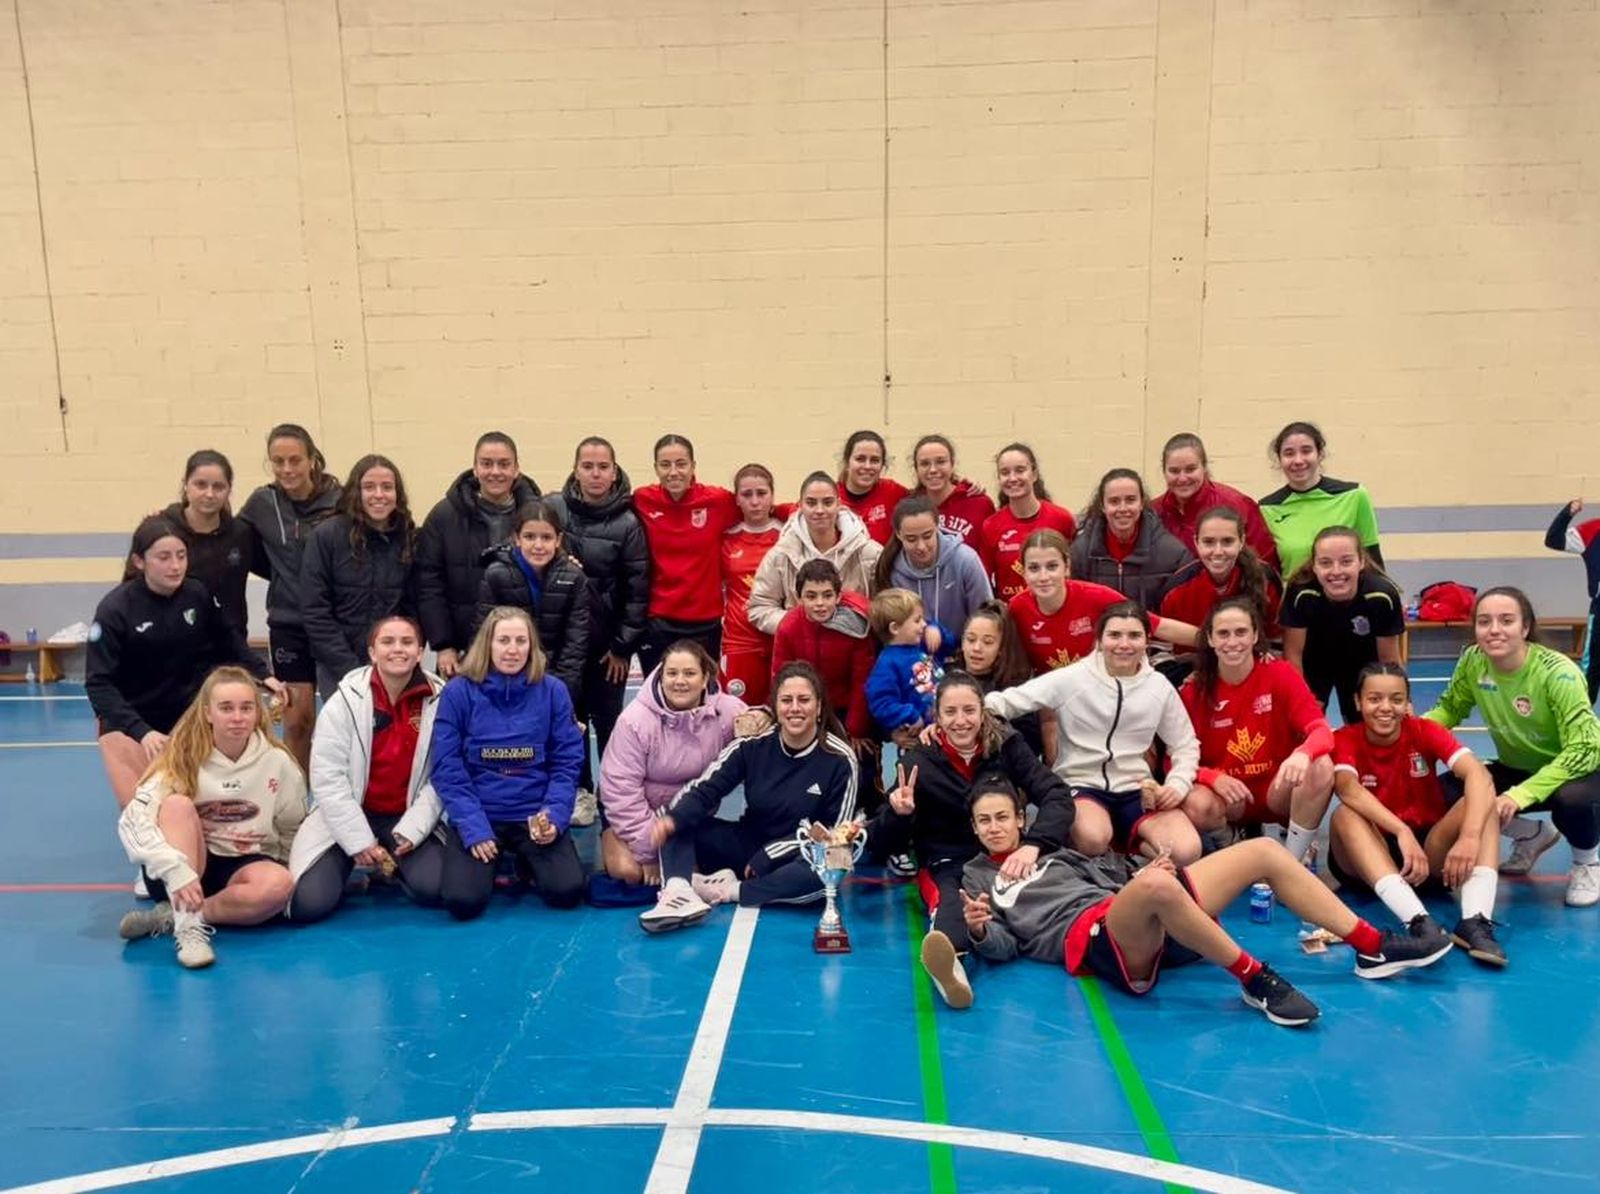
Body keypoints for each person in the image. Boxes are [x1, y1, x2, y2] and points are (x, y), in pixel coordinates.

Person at [960, 782, 1451, 1026]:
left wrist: (1149, 872)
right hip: (1095, 941)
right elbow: (1007, 945)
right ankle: (1256, 980)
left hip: (1133, 910)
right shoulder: (977, 875)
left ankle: (1371, 946)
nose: (995, 827)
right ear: (975, 829)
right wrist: (982, 933)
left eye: (1002, 816)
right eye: (984, 821)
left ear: (1019, 820)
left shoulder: (1053, 851)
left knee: (1262, 851)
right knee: (1153, 889)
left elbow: (1114, 876)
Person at [874, 673, 1074, 1008]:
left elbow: (1058, 796)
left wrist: (1033, 844)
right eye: (950, 712)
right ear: (937, 718)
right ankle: (951, 968)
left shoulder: (1007, 745)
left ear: (983, 711)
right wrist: (899, 813)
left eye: (969, 710)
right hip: (950, 862)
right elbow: (883, 844)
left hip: (1009, 855)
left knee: (1059, 896)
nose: (961, 720)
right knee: (953, 908)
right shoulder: (917, 762)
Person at [638, 661, 860, 932]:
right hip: (749, 845)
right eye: (786, 700)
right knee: (677, 815)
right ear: (776, 708)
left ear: (819, 707)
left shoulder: (840, 759)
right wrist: (672, 822)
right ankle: (678, 891)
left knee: (831, 867)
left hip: (800, 854)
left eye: (804, 700)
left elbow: (836, 835)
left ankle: (730, 890)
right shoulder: (752, 746)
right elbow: (705, 789)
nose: (795, 708)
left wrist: (771, 853)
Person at [116, 666, 307, 969]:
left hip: (242, 864)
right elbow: (133, 820)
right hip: (183, 869)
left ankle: (177, 916)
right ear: (207, 713)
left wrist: (285, 876)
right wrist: (174, 869)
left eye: (246, 708)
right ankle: (189, 929)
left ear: (257, 713)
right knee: (176, 805)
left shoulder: (277, 761)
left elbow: (291, 825)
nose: (237, 717)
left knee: (278, 885)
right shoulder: (182, 756)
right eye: (226, 708)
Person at [88, 515, 284, 808]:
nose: (175, 565)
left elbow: (228, 641)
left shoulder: (197, 593)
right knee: (142, 814)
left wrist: (262, 674)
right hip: (129, 724)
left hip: (185, 717)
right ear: (139, 562)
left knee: (191, 805)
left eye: (181, 556)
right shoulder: (115, 609)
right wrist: (141, 732)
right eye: (164, 557)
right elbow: (98, 684)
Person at [984, 603, 1202, 864]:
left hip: (1136, 788)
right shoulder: (1072, 678)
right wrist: (955, 715)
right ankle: (1109, 855)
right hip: (1080, 785)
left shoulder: (1159, 687)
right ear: (1099, 640)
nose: (1124, 644)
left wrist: (1178, 784)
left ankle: (1129, 852)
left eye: (1134, 636)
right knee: (1092, 838)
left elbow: (1185, 744)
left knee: (1187, 850)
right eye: (1114, 635)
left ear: (1147, 640)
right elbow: (1008, 701)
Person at [1425, 586, 1600, 907]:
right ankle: (1532, 836)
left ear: (1525, 627)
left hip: (1578, 770)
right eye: (1484, 621)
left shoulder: (1558, 673)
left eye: (1506, 620)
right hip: (1516, 765)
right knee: (1443, 792)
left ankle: (1587, 862)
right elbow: (1451, 707)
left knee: (1573, 801)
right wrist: (1412, 732)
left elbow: (1584, 750)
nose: (1494, 630)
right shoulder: (1474, 661)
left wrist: (1520, 795)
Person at [1328, 664, 1505, 966]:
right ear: (1358, 702)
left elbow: (1478, 775)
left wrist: (1469, 837)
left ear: (1408, 703)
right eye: (1374, 699)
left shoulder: (1425, 731)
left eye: (1396, 699)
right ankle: (1420, 924)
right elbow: (1347, 788)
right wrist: (1400, 830)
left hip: (1428, 857)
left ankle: (1475, 922)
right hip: (1368, 854)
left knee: (1482, 798)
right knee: (1345, 815)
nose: (1386, 708)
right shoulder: (1346, 737)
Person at [286, 616, 448, 923]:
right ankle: (356, 861)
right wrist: (357, 840)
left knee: (438, 889)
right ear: (372, 652)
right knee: (308, 904)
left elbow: (443, 777)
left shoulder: (442, 700)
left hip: (406, 815)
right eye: (387, 642)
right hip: (348, 815)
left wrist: (412, 831)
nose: (397, 649)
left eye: (407, 642)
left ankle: (392, 868)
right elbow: (327, 779)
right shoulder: (344, 701)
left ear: (420, 652)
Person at [429, 606, 587, 920]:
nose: (512, 650)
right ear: (487, 644)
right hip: (481, 815)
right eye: (503, 640)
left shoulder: (553, 691)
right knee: (462, 902)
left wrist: (553, 816)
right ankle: (494, 855)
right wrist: (474, 828)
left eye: (520, 640)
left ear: (532, 646)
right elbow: (446, 768)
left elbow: (567, 762)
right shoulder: (458, 693)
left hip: (534, 814)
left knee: (567, 892)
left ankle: (527, 860)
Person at [1178, 599, 1335, 862]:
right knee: (1195, 800)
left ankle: (1294, 858)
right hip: (1229, 798)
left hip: (1278, 792)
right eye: (1223, 634)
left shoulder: (1281, 674)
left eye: (1241, 632)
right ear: (1210, 639)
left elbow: (1321, 730)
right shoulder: (1195, 691)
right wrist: (1212, 778)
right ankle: (1230, 843)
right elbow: (1174, 759)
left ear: (1255, 636)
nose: (1232, 642)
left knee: (1321, 766)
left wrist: (1304, 753)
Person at [546, 435, 650, 802]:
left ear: (614, 470)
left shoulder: (628, 523)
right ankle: (579, 794)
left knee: (609, 724)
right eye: (587, 466)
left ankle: (614, 795)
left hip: (608, 652)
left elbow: (638, 592)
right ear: (575, 469)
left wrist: (623, 646)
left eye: (603, 467)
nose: (595, 474)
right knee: (568, 723)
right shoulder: (553, 509)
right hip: (561, 648)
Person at [598, 641, 750, 887]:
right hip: (635, 815)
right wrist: (650, 851)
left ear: (705, 679)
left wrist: (763, 716)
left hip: (689, 818)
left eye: (690, 673)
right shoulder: (634, 721)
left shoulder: (727, 712)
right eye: (672, 673)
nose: (680, 681)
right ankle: (612, 839)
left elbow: (761, 739)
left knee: (715, 866)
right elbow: (620, 791)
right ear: (660, 676)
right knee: (629, 872)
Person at [239, 423, 343, 769]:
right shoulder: (261, 503)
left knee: (347, 721)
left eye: (295, 460)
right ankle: (296, 805)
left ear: (313, 460)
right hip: (289, 624)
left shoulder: (341, 501)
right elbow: (227, 538)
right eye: (278, 461)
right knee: (298, 722)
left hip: (335, 623)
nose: (287, 469)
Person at [416, 432, 541, 678]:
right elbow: (429, 585)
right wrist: (444, 645)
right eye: (486, 463)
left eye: (504, 464)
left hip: (523, 651)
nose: (495, 471)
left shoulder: (537, 516)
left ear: (517, 470)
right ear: (475, 469)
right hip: (462, 654)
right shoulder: (443, 517)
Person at [301, 454, 419, 695]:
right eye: (369, 487)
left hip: (392, 666)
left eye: (387, 487)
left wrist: (399, 653)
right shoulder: (326, 536)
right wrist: (349, 668)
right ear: (356, 492)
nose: (379, 495)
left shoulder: (408, 538)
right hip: (338, 667)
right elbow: (315, 609)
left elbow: (414, 605)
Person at [1008, 530, 1195, 677]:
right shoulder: (1017, 607)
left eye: (1052, 566)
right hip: (1050, 698)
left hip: (1102, 689)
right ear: (1023, 572)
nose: (1043, 577)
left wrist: (1211, 641)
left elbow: (1157, 625)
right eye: (1034, 568)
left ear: (1067, 567)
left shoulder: (1097, 596)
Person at [633, 434, 740, 675]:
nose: (673, 472)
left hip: (706, 624)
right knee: (661, 698)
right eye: (665, 465)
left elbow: (763, 508)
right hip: (659, 621)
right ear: (655, 468)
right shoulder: (642, 500)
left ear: (693, 466)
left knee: (703, 698)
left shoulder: (718, 501)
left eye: (681, 464)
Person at [475, 498, 594, 712]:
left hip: (557, 682)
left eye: (546, 537)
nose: (538, 545)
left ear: (558, 540)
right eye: (529, 537)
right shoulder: (495, 575)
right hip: (507, 682)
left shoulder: (574, 577)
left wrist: (559, 692)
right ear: (516, 538)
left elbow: (575, 645)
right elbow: (485, 636)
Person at [1281, 526, 1404, 725]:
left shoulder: (1381, 596)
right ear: (1314, 566)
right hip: (1315, 661)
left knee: (1368, 726)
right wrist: (1301, 701)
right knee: (1302, 724)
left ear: (1361, 562)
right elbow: (1293, 654)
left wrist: (1403, 700)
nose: (1336, 571)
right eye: (1325, 563)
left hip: (1362, 661)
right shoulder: (1301, 593)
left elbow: (1388, 659)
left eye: (1346, 561)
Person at [746, 470, 882, 637]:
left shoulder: (869, 552)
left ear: (839, 504)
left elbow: (887, 603)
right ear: (800, 506)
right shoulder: (782, 554)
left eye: (827, 502)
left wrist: (856, 622)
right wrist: (797, 625)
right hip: (800, 652)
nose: (819, 510)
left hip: (856, 650)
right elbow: (759, 606)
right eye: (811, 503)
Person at [770, 559, 876, 748]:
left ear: (838, 596)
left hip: (845, 708)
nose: (820, 603)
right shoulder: (788, 627)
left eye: (827, 595)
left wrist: (856, 729)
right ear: (799, 598)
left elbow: (862, 680)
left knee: (862, 757)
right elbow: (780, 678)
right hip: (804, 705)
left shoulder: (856, 627)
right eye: (811, 596)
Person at [1259, 420, 1383, 576]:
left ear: (1320, 454)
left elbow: (1373, 562)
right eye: (1289, 453)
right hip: (1294, 599)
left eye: (1306, 451)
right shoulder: (1266, 509)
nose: (1298, 460)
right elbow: (1268, 574)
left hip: (1346, 598)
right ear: (1279, 459)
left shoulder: (1355, 496)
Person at [150, 450, 254, 635]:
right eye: (200, 485)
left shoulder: (242, 534)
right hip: (172, 644)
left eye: (218, 487)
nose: (209, 494)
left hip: (229, 646)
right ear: (185, 485)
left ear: (229, 489)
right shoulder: (160, 530)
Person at [1159, 506, 1283, 653]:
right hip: (1192, 668)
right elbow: (1162, 652)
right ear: (1196, 542)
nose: (1218, 552)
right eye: (1209, 542)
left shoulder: (1266, 579)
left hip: (1250, 666)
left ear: (1241, 541)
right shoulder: (1176, 589)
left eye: (1227, 541)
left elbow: (1276, 643)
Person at [1071, 468, 1194, 612]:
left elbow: (1178, 613)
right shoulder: (1079, 553)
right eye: (1114, 501)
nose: (1123, 508)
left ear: (1142, 503)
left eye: (1130, 500)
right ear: (1102, 506)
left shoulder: (1174, 555)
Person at [1151, 433, 1279, 571]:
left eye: (1190, 469)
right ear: (1164, 471)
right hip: (1172, 592)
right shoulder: (1153, 512)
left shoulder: (1238, 505)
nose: (1182, 478)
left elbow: (1265, 564)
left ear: (1204, 467)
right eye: (1174, 471)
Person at [876, 495, 994, 639]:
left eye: (927, 536)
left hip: (963, 653)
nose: (921, 546)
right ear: (899, 535)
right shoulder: (891, 570)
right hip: (912, 656)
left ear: (937, 527)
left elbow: (987, 617)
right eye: (911, 539)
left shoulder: (966, 561)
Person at [978, 442, 1077, 602]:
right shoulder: (991, 526)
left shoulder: (1062, 519)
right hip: (1013, 616)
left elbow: (1074, 574)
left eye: (1020, 470)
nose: (1012, 478)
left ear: (1034, 474)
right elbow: (985, 581)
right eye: (1005, 472)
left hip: (1055, 611)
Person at [720, 463, 784, 704]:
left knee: (783, 714)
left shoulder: (788, 536)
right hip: (739, 644)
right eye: (747, 495)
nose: (755, 501)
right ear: (736, 499)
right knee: (739, 716)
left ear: (772, 496)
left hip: (780, 640)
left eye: (761, 493)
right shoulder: (725, 539)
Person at [953, 601, 1045, 758]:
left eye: (987, 642)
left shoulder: (1014, 691)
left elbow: (1031, 744)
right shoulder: (946, 678)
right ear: (962, 641)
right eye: (970, 639)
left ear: (1002, 648)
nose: (976, 648)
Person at [865, 588, 951, 738]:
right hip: (921, 736)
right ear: (895, 628)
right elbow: (881, 703)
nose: (924, 624)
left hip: (947, 723)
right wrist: (910, 716)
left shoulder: (922, 644)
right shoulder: (887, 664)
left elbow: (950, 644)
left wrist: (937, 631)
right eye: (917, 620)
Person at [1544, 496, 1600, 703]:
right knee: (1592, 668)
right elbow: (1553, 539)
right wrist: (1568, 512)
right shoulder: (1593, 531)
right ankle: (1579, 718)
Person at [911, 434, 995, 551]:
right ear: (916, 468)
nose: (933, 470)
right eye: (925, 464)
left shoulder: (980, 504)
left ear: (952, 464)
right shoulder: (909, 507)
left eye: (941, 462)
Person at [836, 430, 908, 545]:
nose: (867, 466)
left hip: (883, 562)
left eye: (875, 460)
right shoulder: (830, 496)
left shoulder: (893, 492)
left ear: (882, 465)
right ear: (847, 462)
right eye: (860, 459)